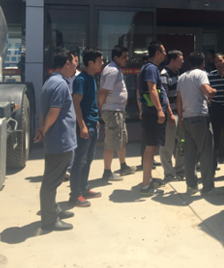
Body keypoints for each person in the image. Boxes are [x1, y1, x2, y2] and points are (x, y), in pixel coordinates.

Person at [34, 49, 77, 231]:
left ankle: (54, 209)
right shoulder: (60, 84)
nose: (75, 66)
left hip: (57, 139)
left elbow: (44, 112)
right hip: (60, 140)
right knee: (51, 182)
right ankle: (49, 220)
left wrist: (43, 129)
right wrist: (44, 129)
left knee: (55, 179)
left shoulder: (51, 81)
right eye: (74, 62)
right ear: (66, 63)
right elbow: (53, 111)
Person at [177, 51, 219, 196]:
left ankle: (191, 186)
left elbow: (179, 100)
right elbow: (208, 91)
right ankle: (208, 187)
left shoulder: (182, 77)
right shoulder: (201, 74)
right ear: (203, 63)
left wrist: (181, 118)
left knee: (190, 155)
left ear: (189, 63)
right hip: (200, 118)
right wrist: (214, 91)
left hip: (187, 119)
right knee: (206, 153)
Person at [69, 48, 104, 207]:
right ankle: (75, 195)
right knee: (79, 161)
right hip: (85, 127)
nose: (102, 63)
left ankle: (84, 189)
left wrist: (95, 120)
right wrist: (82, 125)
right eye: (100, 61)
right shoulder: (81, 80)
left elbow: (90, 103)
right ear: (90, 62)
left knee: (88, 159)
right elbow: (76, 103)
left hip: (92, 124)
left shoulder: (91, 78)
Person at [99, 45, 136, 181]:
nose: (127, 59)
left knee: (121, 140)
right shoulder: (112, 71)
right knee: (111, 142)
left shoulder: (115, 69)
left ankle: (123, 166)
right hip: (112, 112)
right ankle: (107, 172)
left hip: (118, 111)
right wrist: (99, 108)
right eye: (124, 57)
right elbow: (104, 91)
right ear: (116, 57)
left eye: (127, 56)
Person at [137, 42, 168, 196]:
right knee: (151, 148)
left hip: (149, 113)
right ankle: (145, 186)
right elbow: (152, 89)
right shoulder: (151, 68)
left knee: (151, 147)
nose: (165, 53)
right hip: (152, 114)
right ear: (157, 53)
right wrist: (159, 110)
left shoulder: (148, 68)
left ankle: (148, 179)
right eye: (164, 51)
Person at [160, 50, 185, 181]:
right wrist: (169, 114)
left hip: (180, 115)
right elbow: (164, 96)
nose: (183, 62)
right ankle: (169, 173)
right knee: (167, 146)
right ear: (172, 60)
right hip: (171, 116)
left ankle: (180, 170)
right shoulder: (164, 75)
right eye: (180, 59)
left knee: (183, 142)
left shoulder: (178, 74)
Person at [64, 52, 80, 182]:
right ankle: (66, 168)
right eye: (73, 61)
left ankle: (71, 168)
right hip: (66, 112)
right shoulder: (63, 78)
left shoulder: (79, 77)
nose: (75, 63)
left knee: (74, 140)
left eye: (76, 61)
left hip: (76, 111)